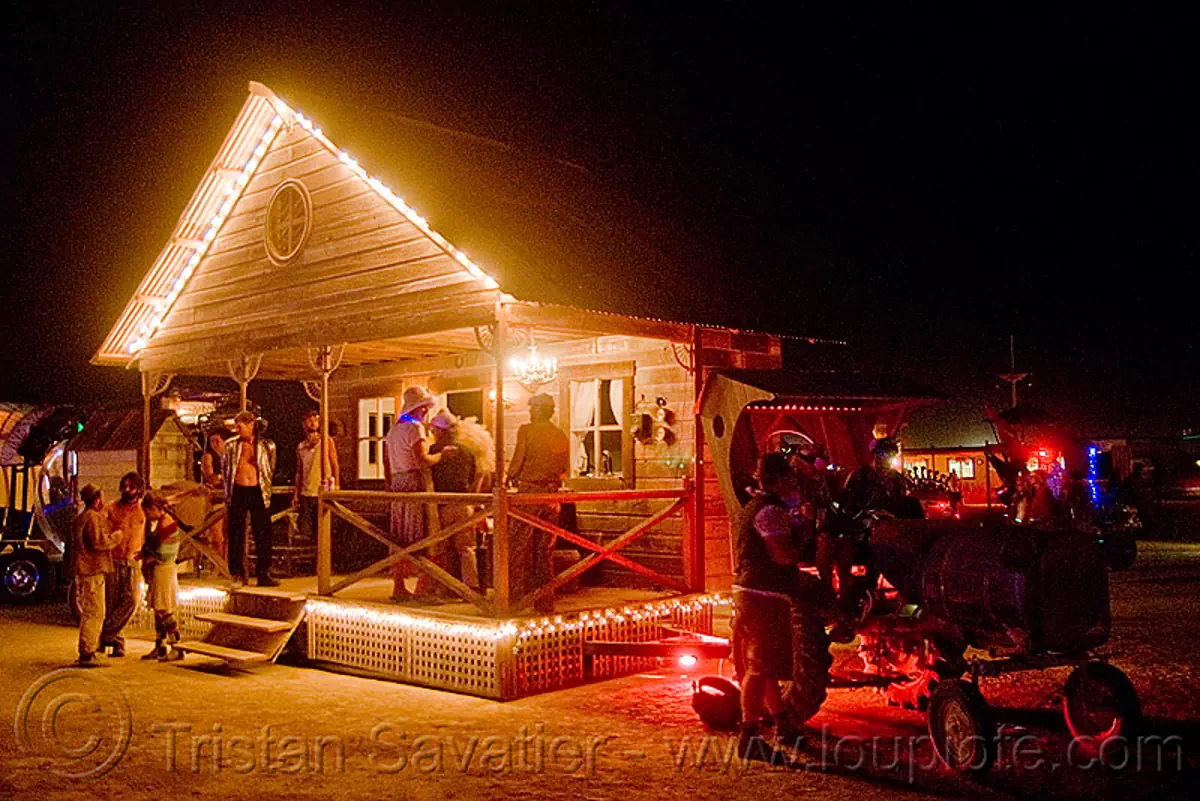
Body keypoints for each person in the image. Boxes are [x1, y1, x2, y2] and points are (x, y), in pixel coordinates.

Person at [732, 452, 819, 762]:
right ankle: (748, 738)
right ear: (779, 479)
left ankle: (782, 725)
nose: (793, 483)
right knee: (758, 671)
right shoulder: (769, 511)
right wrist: (806, 528)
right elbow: (783, 556)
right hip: (762, 595)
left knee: (765, 666)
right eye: (790, 478)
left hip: (755, 593)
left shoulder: (756, 506)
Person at [507, 393, 570, 613]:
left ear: (539, 409)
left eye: (532, 408)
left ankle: (514, 599)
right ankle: (544, 601)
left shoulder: (526, 430)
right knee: (545, 549)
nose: (530, 412)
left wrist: (508, 476)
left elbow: (518, 460)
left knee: (517, 546)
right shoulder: (559, 434)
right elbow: (563, 467)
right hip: (552, 496)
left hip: (530, 493)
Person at [383, 386, 444, 601]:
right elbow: (422, 460)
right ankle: (422, 589)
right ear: (414, 408)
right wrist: (442, 456)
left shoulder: (393, 431)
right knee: (419, 532)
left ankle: (398, 586)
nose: (426, 411)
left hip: (397, 483)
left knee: (399, 533)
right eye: (423, 407)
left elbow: (386, 462)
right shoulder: (415, 428)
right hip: (414, 482)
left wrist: (390, 485)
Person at [223, 410, 278, 587]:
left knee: (263, 533)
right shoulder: (231, 446)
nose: (238, 430)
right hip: (238, 490)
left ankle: (263, 573)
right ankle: (237, 574)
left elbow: (271, 467)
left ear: (251, 425)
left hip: (258, 490)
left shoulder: (266, 445)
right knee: (236, 533)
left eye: (240, 427)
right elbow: (226, 468)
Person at [72, 485, 123, 666]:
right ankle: (87, 652)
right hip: (92, 571)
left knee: (91, 611)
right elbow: (98, 542)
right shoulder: (92, 517)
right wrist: (117, 537)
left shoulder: (81, 518)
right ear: (96, 500)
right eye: (102, 497)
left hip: (86, 571)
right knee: (95, 612)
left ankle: (88, 650)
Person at [429, 409, 479, 589]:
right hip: (464, 503)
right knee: (466, 548)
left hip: (443, 505)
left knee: (442, 548)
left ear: (440, 431)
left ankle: (444, 586)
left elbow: (429, 475)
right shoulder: (467, 451)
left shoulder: (435, 451)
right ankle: (471, 587)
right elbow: (473, 477)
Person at [101, 471, 145, 657]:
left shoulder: (142, 510)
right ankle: (117, 643)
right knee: (112, 603)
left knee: (131, 600)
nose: (127, 490)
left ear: (138, 489)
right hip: (113, 560)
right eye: (124, 486)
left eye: (131, 487)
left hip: (132, 562)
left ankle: (105, 634)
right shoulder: (111, 508)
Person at [140, 492, 184, 661]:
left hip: (164, 569)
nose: (147, 516)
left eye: (147, 511)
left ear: (153, 508)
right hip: (161, 569)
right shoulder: (163, 522)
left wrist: (148, 558)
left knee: (163, 609)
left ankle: (176, 646)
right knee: (159, 611)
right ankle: (160, 646)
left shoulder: (166, 524)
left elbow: (164, 553)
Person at [294, 410, 339, 541]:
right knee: (306, 532)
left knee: (323, 530)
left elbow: (334, 463)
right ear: (304, 424)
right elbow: (299, 470)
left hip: (323, 490)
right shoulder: (301, 446)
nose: (313, 423)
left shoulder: (326, 441)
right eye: (309, 420)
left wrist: (336, 485)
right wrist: (296, 493)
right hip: (306, 491)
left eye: (315, 420)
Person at [200, 430, 228, 561]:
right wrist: (222, 478)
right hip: (215, 500)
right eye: (212, 441)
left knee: (230, 535)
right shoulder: (209, 456)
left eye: (217, 441)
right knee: (216, 536)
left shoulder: (229, 456)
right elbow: (211, 477)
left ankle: (228, 563)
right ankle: (217, 564)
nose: (215, 444)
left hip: (230, 498)